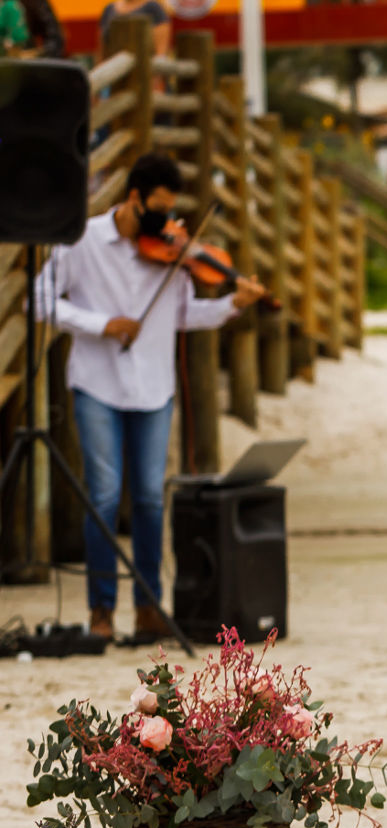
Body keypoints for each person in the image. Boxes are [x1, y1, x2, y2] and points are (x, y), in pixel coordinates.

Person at [36, 153, 265, 642]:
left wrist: (230, 306)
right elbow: (40, 299)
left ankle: (147, 607)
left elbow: (181, 317)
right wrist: (101, 324)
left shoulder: (173, 255)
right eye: (156, 211)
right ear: (133, 197)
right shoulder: (83, 240)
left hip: (154, 387)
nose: (165, 223)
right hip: (97, 382)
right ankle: (101, 610)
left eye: (170, 211)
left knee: (147, 499)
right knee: (100, 495)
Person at [98, 0, 170, 57]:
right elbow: (102, 50)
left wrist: (157, 75)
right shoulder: (109, 9)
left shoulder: (153, 8)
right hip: (112, 70)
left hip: (144, 70)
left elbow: (161, 51)